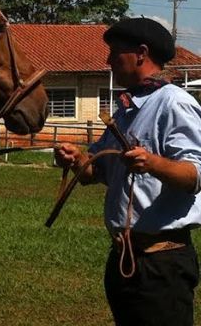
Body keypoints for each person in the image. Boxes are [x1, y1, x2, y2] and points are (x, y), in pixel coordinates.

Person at [54, 17, 201, 326]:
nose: (108, 61)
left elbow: (195, 176)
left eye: (115, 52)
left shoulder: (173, 103)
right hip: (125, 259)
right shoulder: (126, 110)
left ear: (140, 53)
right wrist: (78, 159)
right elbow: (96, 173)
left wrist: (154, 163)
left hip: (161, 264)